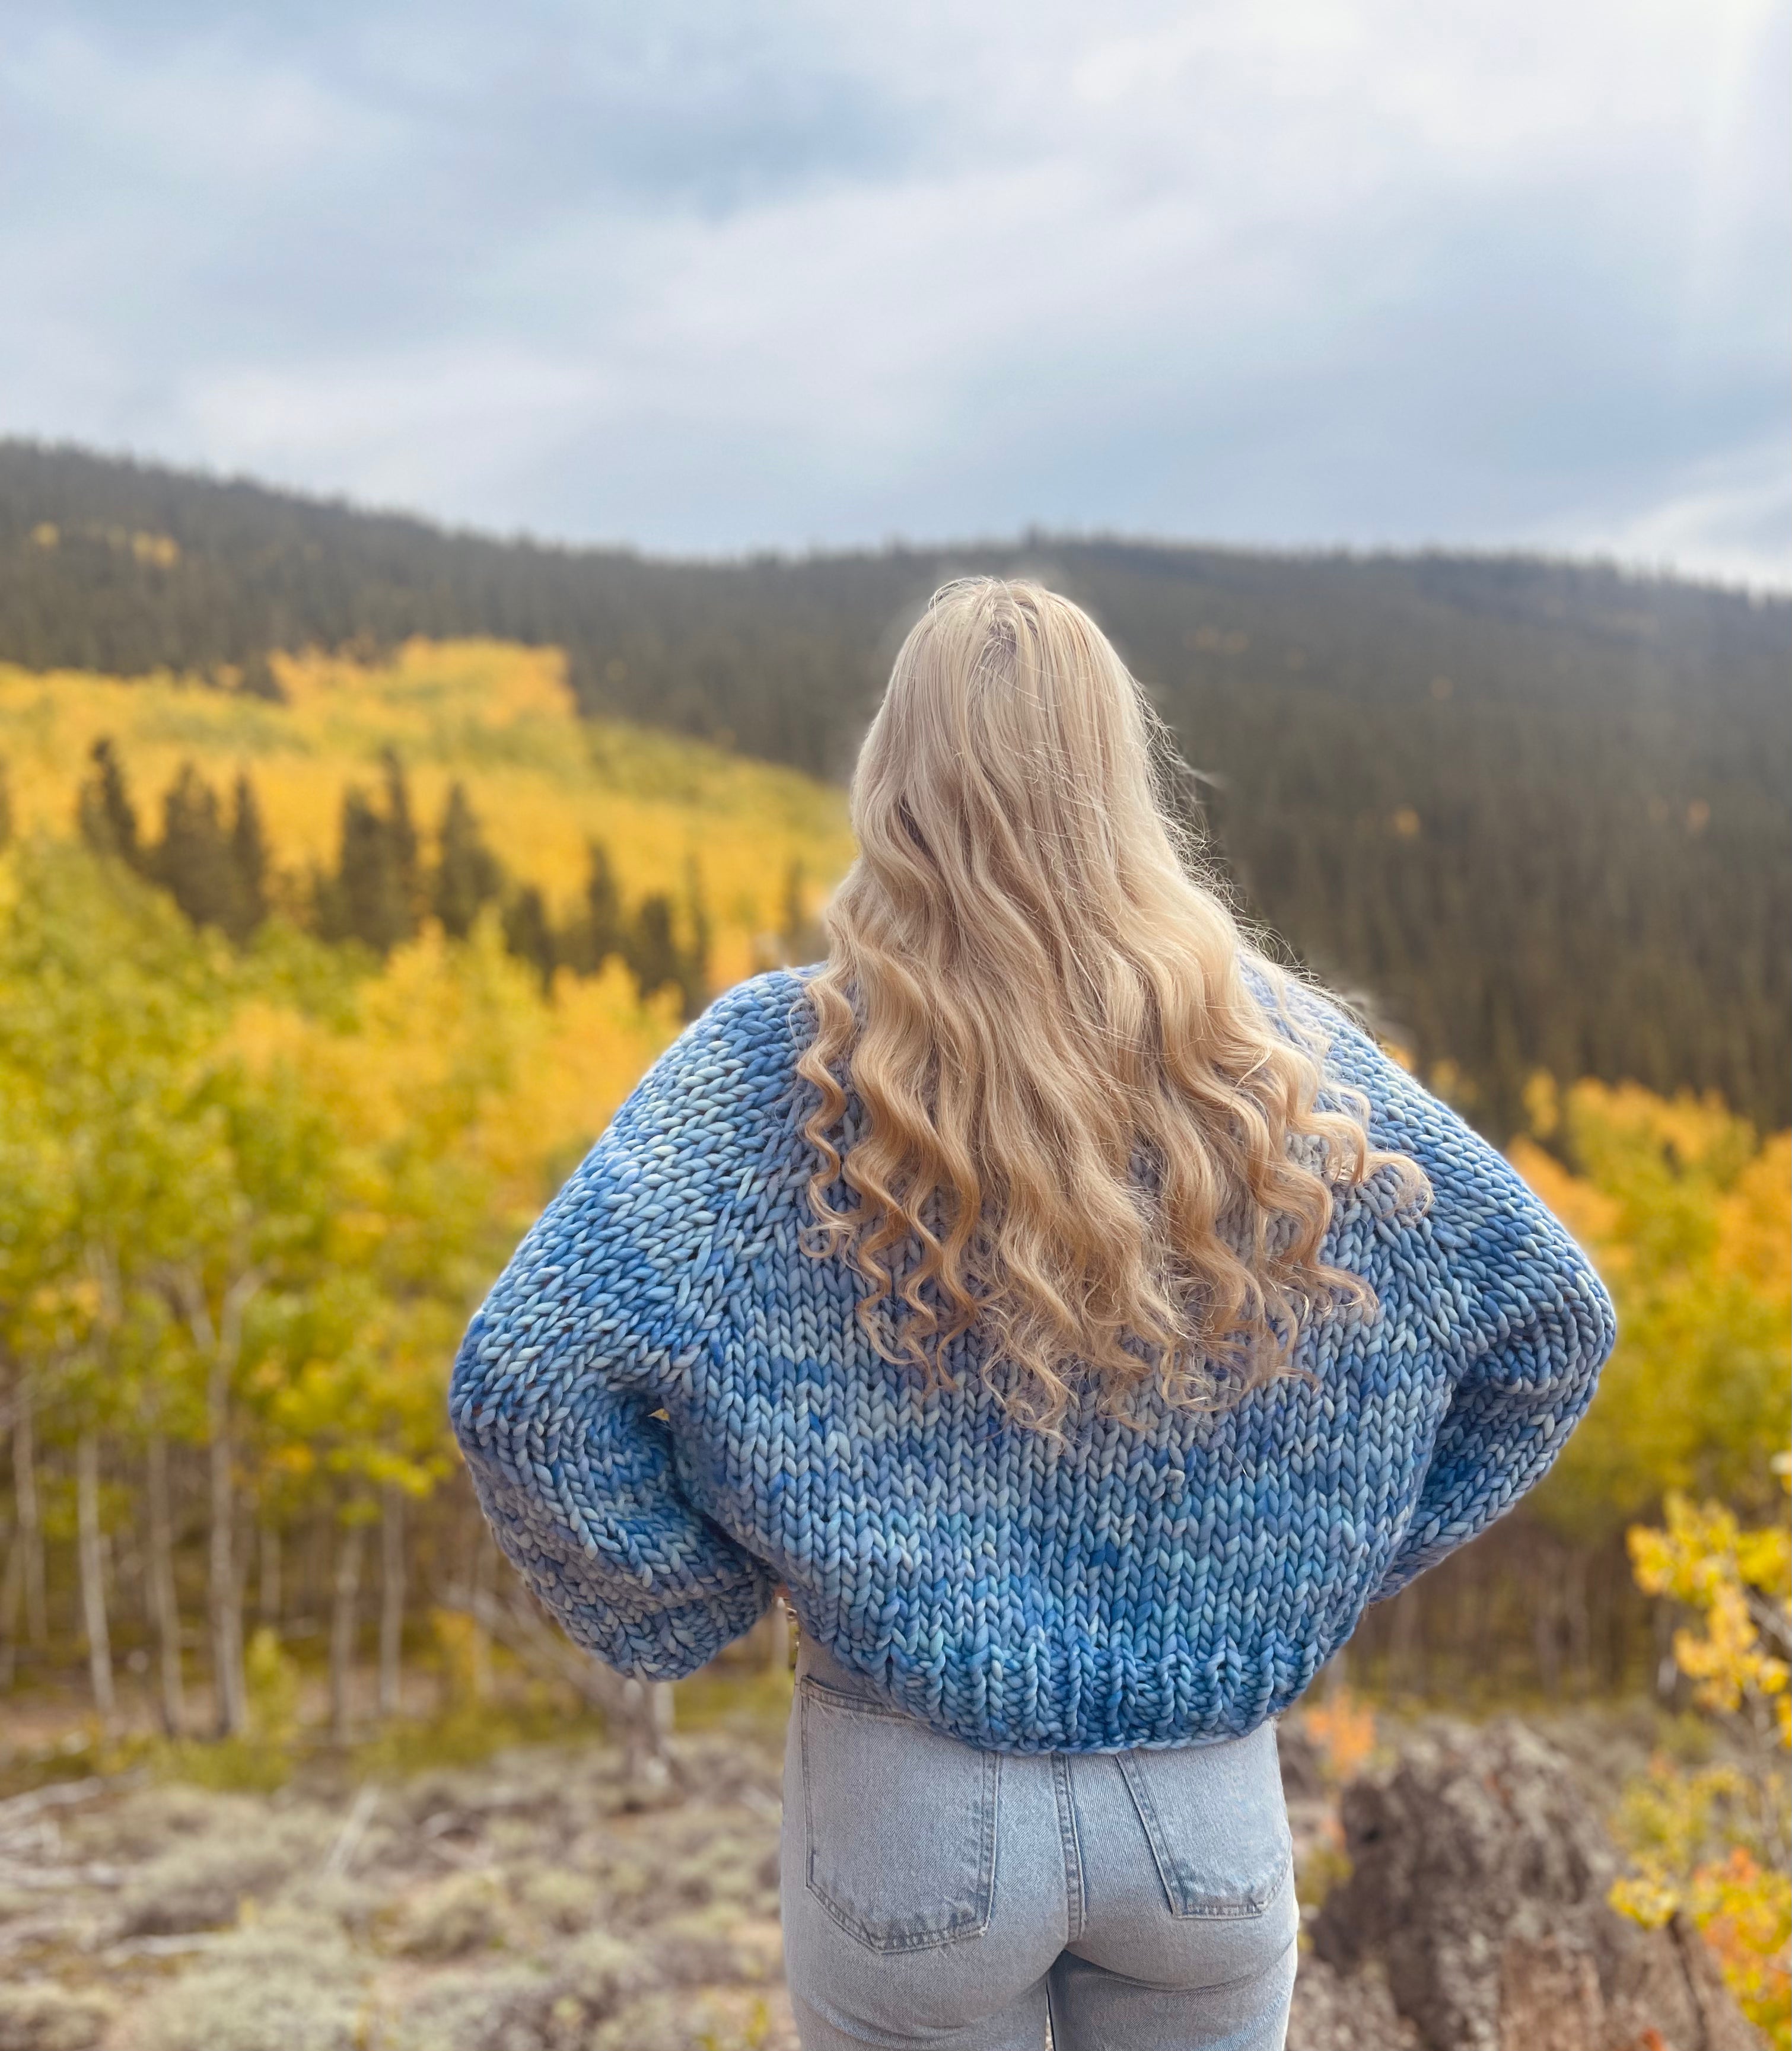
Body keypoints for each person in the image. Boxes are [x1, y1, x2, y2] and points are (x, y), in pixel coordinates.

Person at [451, 578, 1615, 2050]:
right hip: (1203, 1818)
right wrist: (1305, 1554)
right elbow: (1546, 1322)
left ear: (893, 785)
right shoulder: (1277, 1064)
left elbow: (521, 1383)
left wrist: (681, 1605)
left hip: (905, 1805)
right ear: (1121, 784)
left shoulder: (768, 1067)